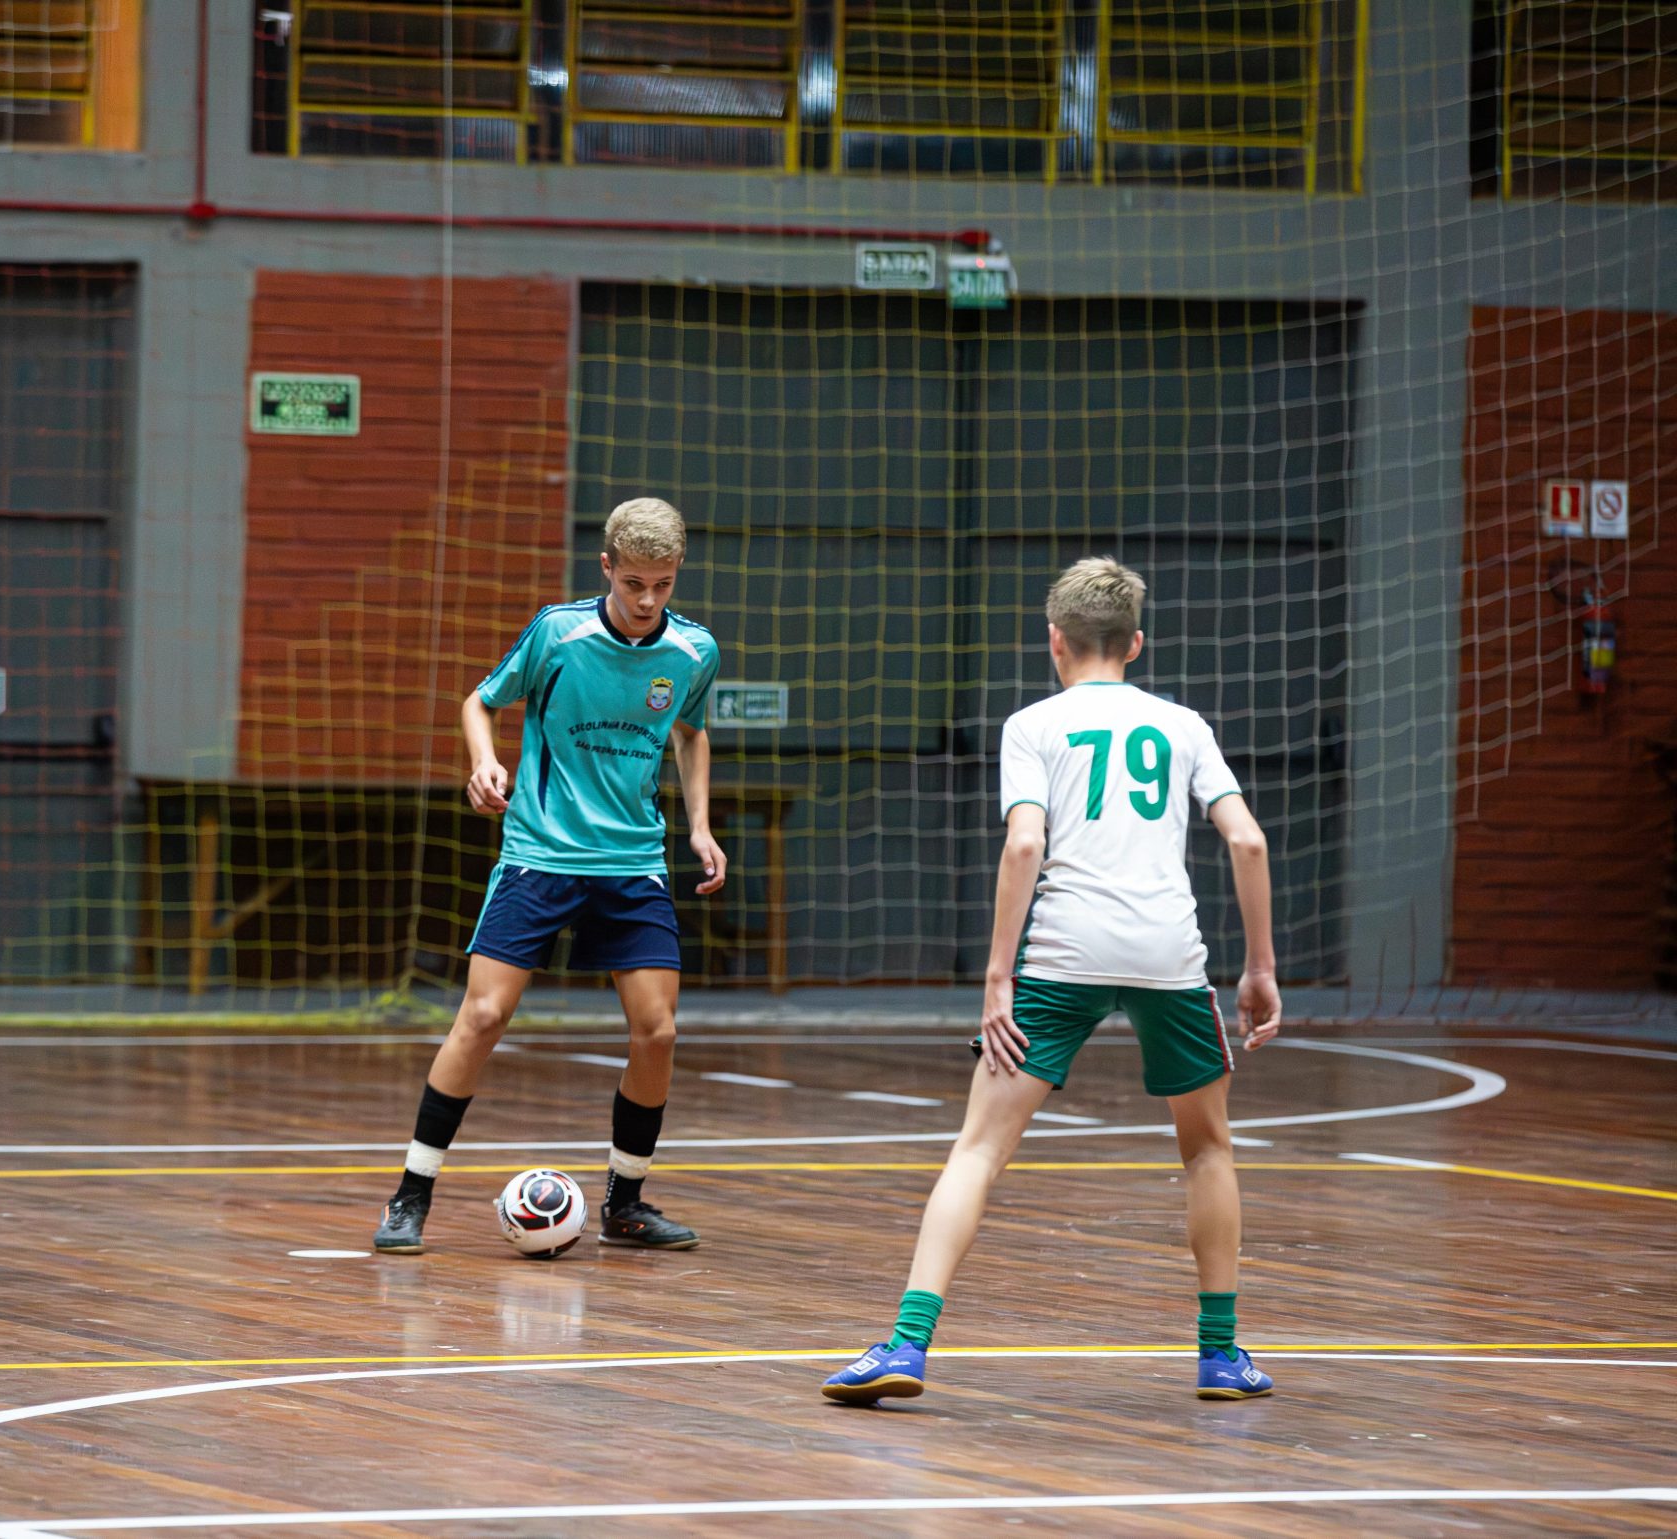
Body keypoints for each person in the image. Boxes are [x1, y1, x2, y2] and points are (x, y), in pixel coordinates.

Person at [821, 557, 1283, 1404]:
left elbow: (1026, 844)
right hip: (1168, 956)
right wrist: (1259, 966)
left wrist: (997, 977)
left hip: (1064, 953)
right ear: (1135, 643)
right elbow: (1247, 841)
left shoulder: (1033, 724)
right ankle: (1221, 1355)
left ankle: (907, 1344)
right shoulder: (1183, 725)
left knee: (979, 1147)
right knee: (1208, 1148)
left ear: (1054, 641)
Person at [373, 497, 726, 1254]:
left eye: (663, 585)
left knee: (658, 1030)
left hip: (631, 862)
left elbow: (692, 734)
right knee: (483, 1017)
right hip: (540, 854)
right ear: (606, 567)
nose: (647, 600)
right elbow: (480, 701)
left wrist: (699, 825)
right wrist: (484, 762)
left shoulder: (693, 651)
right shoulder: (557, 632)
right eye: (633, 583)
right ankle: (410, 1195)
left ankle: (625, 1205)